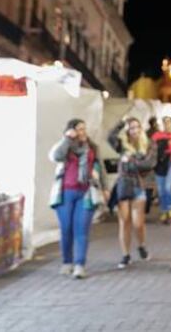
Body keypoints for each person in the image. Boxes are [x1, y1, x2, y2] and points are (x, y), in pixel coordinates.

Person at [49, 119, 107, 279]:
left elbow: (100, 168)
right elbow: (56, 156)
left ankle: (80, 264)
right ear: (71, 131)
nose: (82, 132)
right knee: (66, 228)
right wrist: (67, 139)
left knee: (81, 230)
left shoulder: (92, 147)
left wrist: (105, 188)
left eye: (84, 129)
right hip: (65, 193)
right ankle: (67, 262)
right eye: (79, 129)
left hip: (86, 192)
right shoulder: (64, 146)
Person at [108, 116, 156, 269]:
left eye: (137, 127)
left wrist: (130, 160)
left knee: (138, 223)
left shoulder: (149, 144)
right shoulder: (122, 144)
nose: (134, 130)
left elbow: (149, 163)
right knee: (124, 221)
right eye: (131, 128)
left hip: (139, 184)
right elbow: (110, 137)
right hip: (123, 183)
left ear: (141, 128)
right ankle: (125, 255)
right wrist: (121, 122)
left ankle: (141, 245)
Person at [152, 116, 171, 224]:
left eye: (169, 122)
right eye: (165, 123)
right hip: (159, 164)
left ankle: (170, 209)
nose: (167, 125)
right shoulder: (157, 135)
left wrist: (168, 148)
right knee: (161, 189)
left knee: (168, 187)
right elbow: (151, 147)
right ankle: (164, 210)